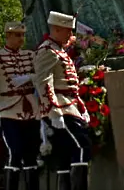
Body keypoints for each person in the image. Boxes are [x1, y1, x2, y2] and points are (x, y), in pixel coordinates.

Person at [0, 21, 40, 190]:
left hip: (31, 110)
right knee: (15, 152)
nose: (21, 38)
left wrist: (30, 78)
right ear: (8, 36)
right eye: (17, 35)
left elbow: (42, 76)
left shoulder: (30, 55)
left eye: (22, 35)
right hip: (9, 111)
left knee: (31, 156)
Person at [34, 11, 91, 190]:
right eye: (68, 31)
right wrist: (54, 111)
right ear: (57, 29)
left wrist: (81, 108)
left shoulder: (58, 50)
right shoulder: (48, 51)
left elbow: (70, 86)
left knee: (64, 157)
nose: (71, 35)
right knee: (82, 147)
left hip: (69, 106)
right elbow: (44, 82)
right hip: (61, 108)